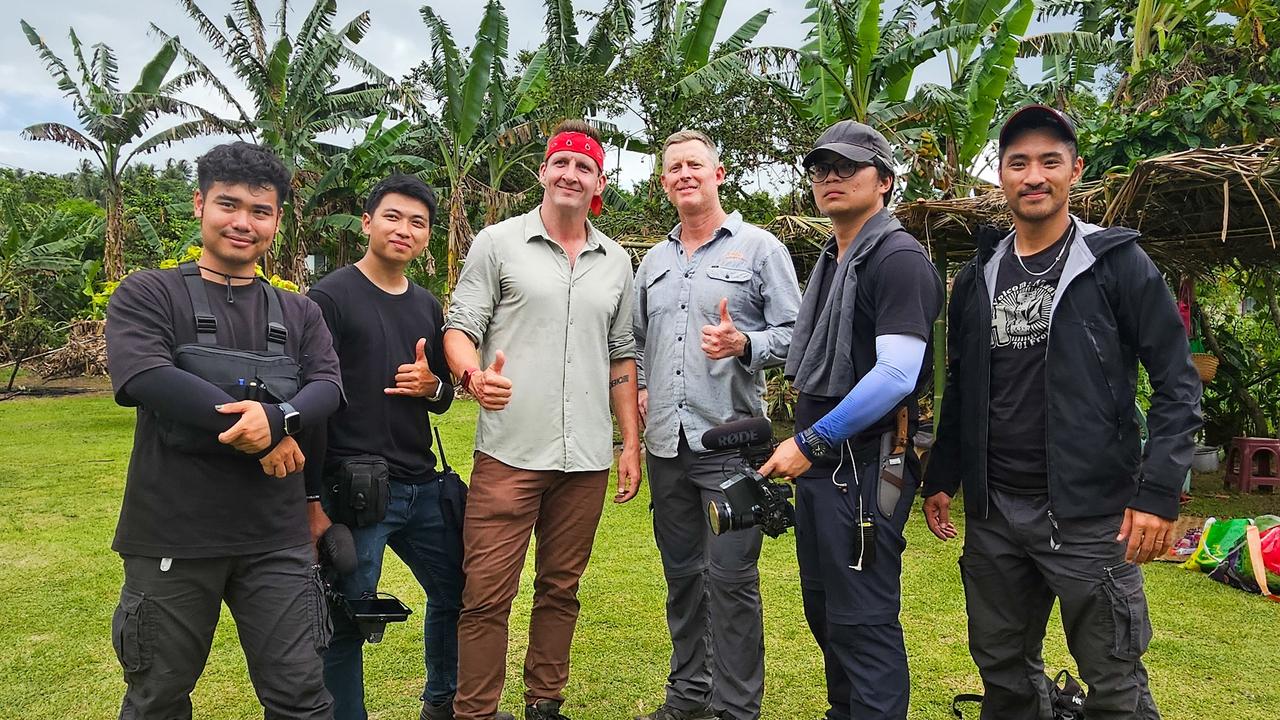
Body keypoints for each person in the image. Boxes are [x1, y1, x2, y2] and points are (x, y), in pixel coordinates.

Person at [920, 104, 1202, 720]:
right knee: (1003, 672)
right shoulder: (979, 277)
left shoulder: (1116, 264)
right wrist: (941, 476)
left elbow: (1177, 383)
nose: (1034, 175)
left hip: (1089, 517)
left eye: (1050, 161)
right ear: (1001, 176)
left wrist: (1157, 493)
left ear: (1075, 169)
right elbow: (963, 387)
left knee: (1113, 678)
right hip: (995, 515)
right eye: (1018, 163)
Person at [104, 141, 344, 719]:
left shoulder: (300, 313)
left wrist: (278, 419)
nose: (243, 222)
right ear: (199, 205)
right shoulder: (149, 293)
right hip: (173, 537)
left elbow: (328, 387)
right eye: (228, 205)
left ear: (278, 220)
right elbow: (147, 376)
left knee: (300, 698)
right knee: (157, 698)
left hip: (277, 541)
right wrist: (261, 427)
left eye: (260, 211)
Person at [443, 120, 641, 720]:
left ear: (598, 181)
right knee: (485, 596)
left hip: (585, 459)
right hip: (508, 452)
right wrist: (473, 377)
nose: (570, 174)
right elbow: (461, 327)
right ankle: (474, 711)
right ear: (543, 172)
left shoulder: (616, 261)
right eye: (561, 162)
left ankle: (544, 704)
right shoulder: (498, 242)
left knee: (561, 590)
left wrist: (629, 442)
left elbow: (622, 356)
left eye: (583, 167)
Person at [756, 121, 943, 720]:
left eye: (848, 167)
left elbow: (897, 373)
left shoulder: (897, 258)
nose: (831, 178)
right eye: (820, 169)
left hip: (868, 467)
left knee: (861, 618)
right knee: (825, 608)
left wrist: (812, 439)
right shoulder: (834, 262)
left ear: (885, 181)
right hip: (827, 471)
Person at [632, 129, 800, 720]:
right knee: (682, 578)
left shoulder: (759, 250)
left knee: (730, 583)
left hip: (728, 445)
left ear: (718, 173)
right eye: (673, 167)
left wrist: (745, 342)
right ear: (664, 183)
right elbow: (633, 342)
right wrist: (646, 388)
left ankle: (736, 710)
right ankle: (688, 698)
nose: (684, 174)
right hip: (666, 448)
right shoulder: (651, 262)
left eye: (695, 164)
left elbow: (797, 336)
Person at [306, 174, 462, 720]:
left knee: (459, 595)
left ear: (426, 237)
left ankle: (442, 703)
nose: (404, 230)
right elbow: (309, 399)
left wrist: (433, 386)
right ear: (367, 222)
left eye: (417, 223)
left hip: (422, 486)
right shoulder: (329, 298)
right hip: (357, 490)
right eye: (392, 217)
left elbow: (440, 395)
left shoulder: (426, 304)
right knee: (347, 619)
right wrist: (312, 500)